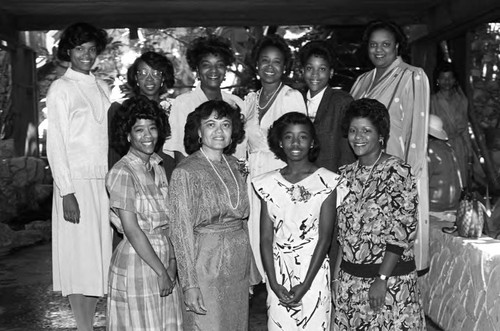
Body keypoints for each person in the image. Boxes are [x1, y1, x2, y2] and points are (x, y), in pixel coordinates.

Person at [332, 98, 426, 330]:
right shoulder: (344, 175)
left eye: (366, 131)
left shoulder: (398, 172)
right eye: (353, 130)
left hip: (389, 282)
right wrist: (337, 277)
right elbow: (343, 235)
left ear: (380, 135)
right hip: (350, 282)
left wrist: (381, 279)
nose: (358, 137)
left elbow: (402, 231)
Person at [168, 100, 260, 330]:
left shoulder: (235, 165)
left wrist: (250, 270)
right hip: (205, 265)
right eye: (211, 124)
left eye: (226, 124)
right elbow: (180, 233)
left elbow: (243, 222)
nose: (219, 131)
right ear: (199, 131)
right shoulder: (185, 171)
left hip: (237, 264)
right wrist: (189, 284)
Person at [46, 22, 113, 331]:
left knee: (97, 262)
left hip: (103, 183)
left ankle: (90, 323)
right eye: (79, 49)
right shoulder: (61, 88)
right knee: (79, 261)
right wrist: (66, 191)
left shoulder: (102, 86)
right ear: (68, 52)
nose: (86, 55)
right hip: (75, 186)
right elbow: (55, 143)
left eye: (91, 49)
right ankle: (83, 327)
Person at [350, 20, 430, 273]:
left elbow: (416, 135)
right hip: (363, 175)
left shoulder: (412, 76)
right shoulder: (362, 81)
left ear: (397, 45)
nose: (379, 50)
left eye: (386, 44)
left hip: (394, 176)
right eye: (373, 45)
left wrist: (406, 182)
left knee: (392, 247)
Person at [252, 112, 343, 330]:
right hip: (278, 272)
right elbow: (265, 238)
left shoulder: (327, 181)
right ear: (280, 142)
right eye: (289, 137)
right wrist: (273, 283)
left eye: (302, 137)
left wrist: (306, 284)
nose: (295, 143)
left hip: (314, 271)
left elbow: (325, 239)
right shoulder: (268, 182)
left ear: (312, 142)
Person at [105, 96, 183, 330]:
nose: (147, 135)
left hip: (165, 262)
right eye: (139, 130)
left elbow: (170, 222)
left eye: (152, 128)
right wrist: (161, 271)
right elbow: (131, 228)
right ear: (128, 135)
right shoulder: (122, 172)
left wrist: (172, 264)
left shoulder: (158, 168)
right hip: (139, 262)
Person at [245, 34, 307, 277]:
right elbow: (244, 143)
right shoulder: (250, 100)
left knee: (282, 241)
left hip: (281, 178)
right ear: (256, 64)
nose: (270, 67)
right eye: (264, 61)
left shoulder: (291, 97)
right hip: (253, 178)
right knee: (256, 238)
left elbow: (299, 145)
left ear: (285, 67)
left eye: (277, 62)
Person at [163, 35, 245, 163]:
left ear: (225, 69)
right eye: (206, 65)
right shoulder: (183, 103)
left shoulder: (236, 103)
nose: (214, 70)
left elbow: (241, 152)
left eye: (220, 65)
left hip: (232, 175)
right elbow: (179, 153)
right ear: (197, 69)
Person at [108, 51, 176, 180]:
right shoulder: (120, 109)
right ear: (135, 78)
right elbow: (114, 153)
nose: (149, 78)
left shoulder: (174, 108)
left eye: (156, 73)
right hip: (133, 178)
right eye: (143, 73)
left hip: (169, 175)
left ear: (163, 78)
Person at [299, 40, 355, 172]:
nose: (315, 74)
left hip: (332, 180)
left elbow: (348, 151)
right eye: (309, 68)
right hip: (302, 181)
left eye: (322, 69)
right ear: (302, 71)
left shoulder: (342, 102)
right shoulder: (296, 100)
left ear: (331, 72)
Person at [431, 63, 471, 186]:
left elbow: (465, 129)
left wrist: (468, 151)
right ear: (438, 80)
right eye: (443, 78)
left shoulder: (462, 100)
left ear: (454, 80)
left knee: (461, 182)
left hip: (459, 145)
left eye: (450, 78)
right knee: (445, 182)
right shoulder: (432, 100)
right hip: (441, 147)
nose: (446, 81)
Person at [428, 114, 463, 214]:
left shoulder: (429, 149)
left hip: (434, 206)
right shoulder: (449, 148)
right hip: (453, 204)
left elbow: (422, 179)